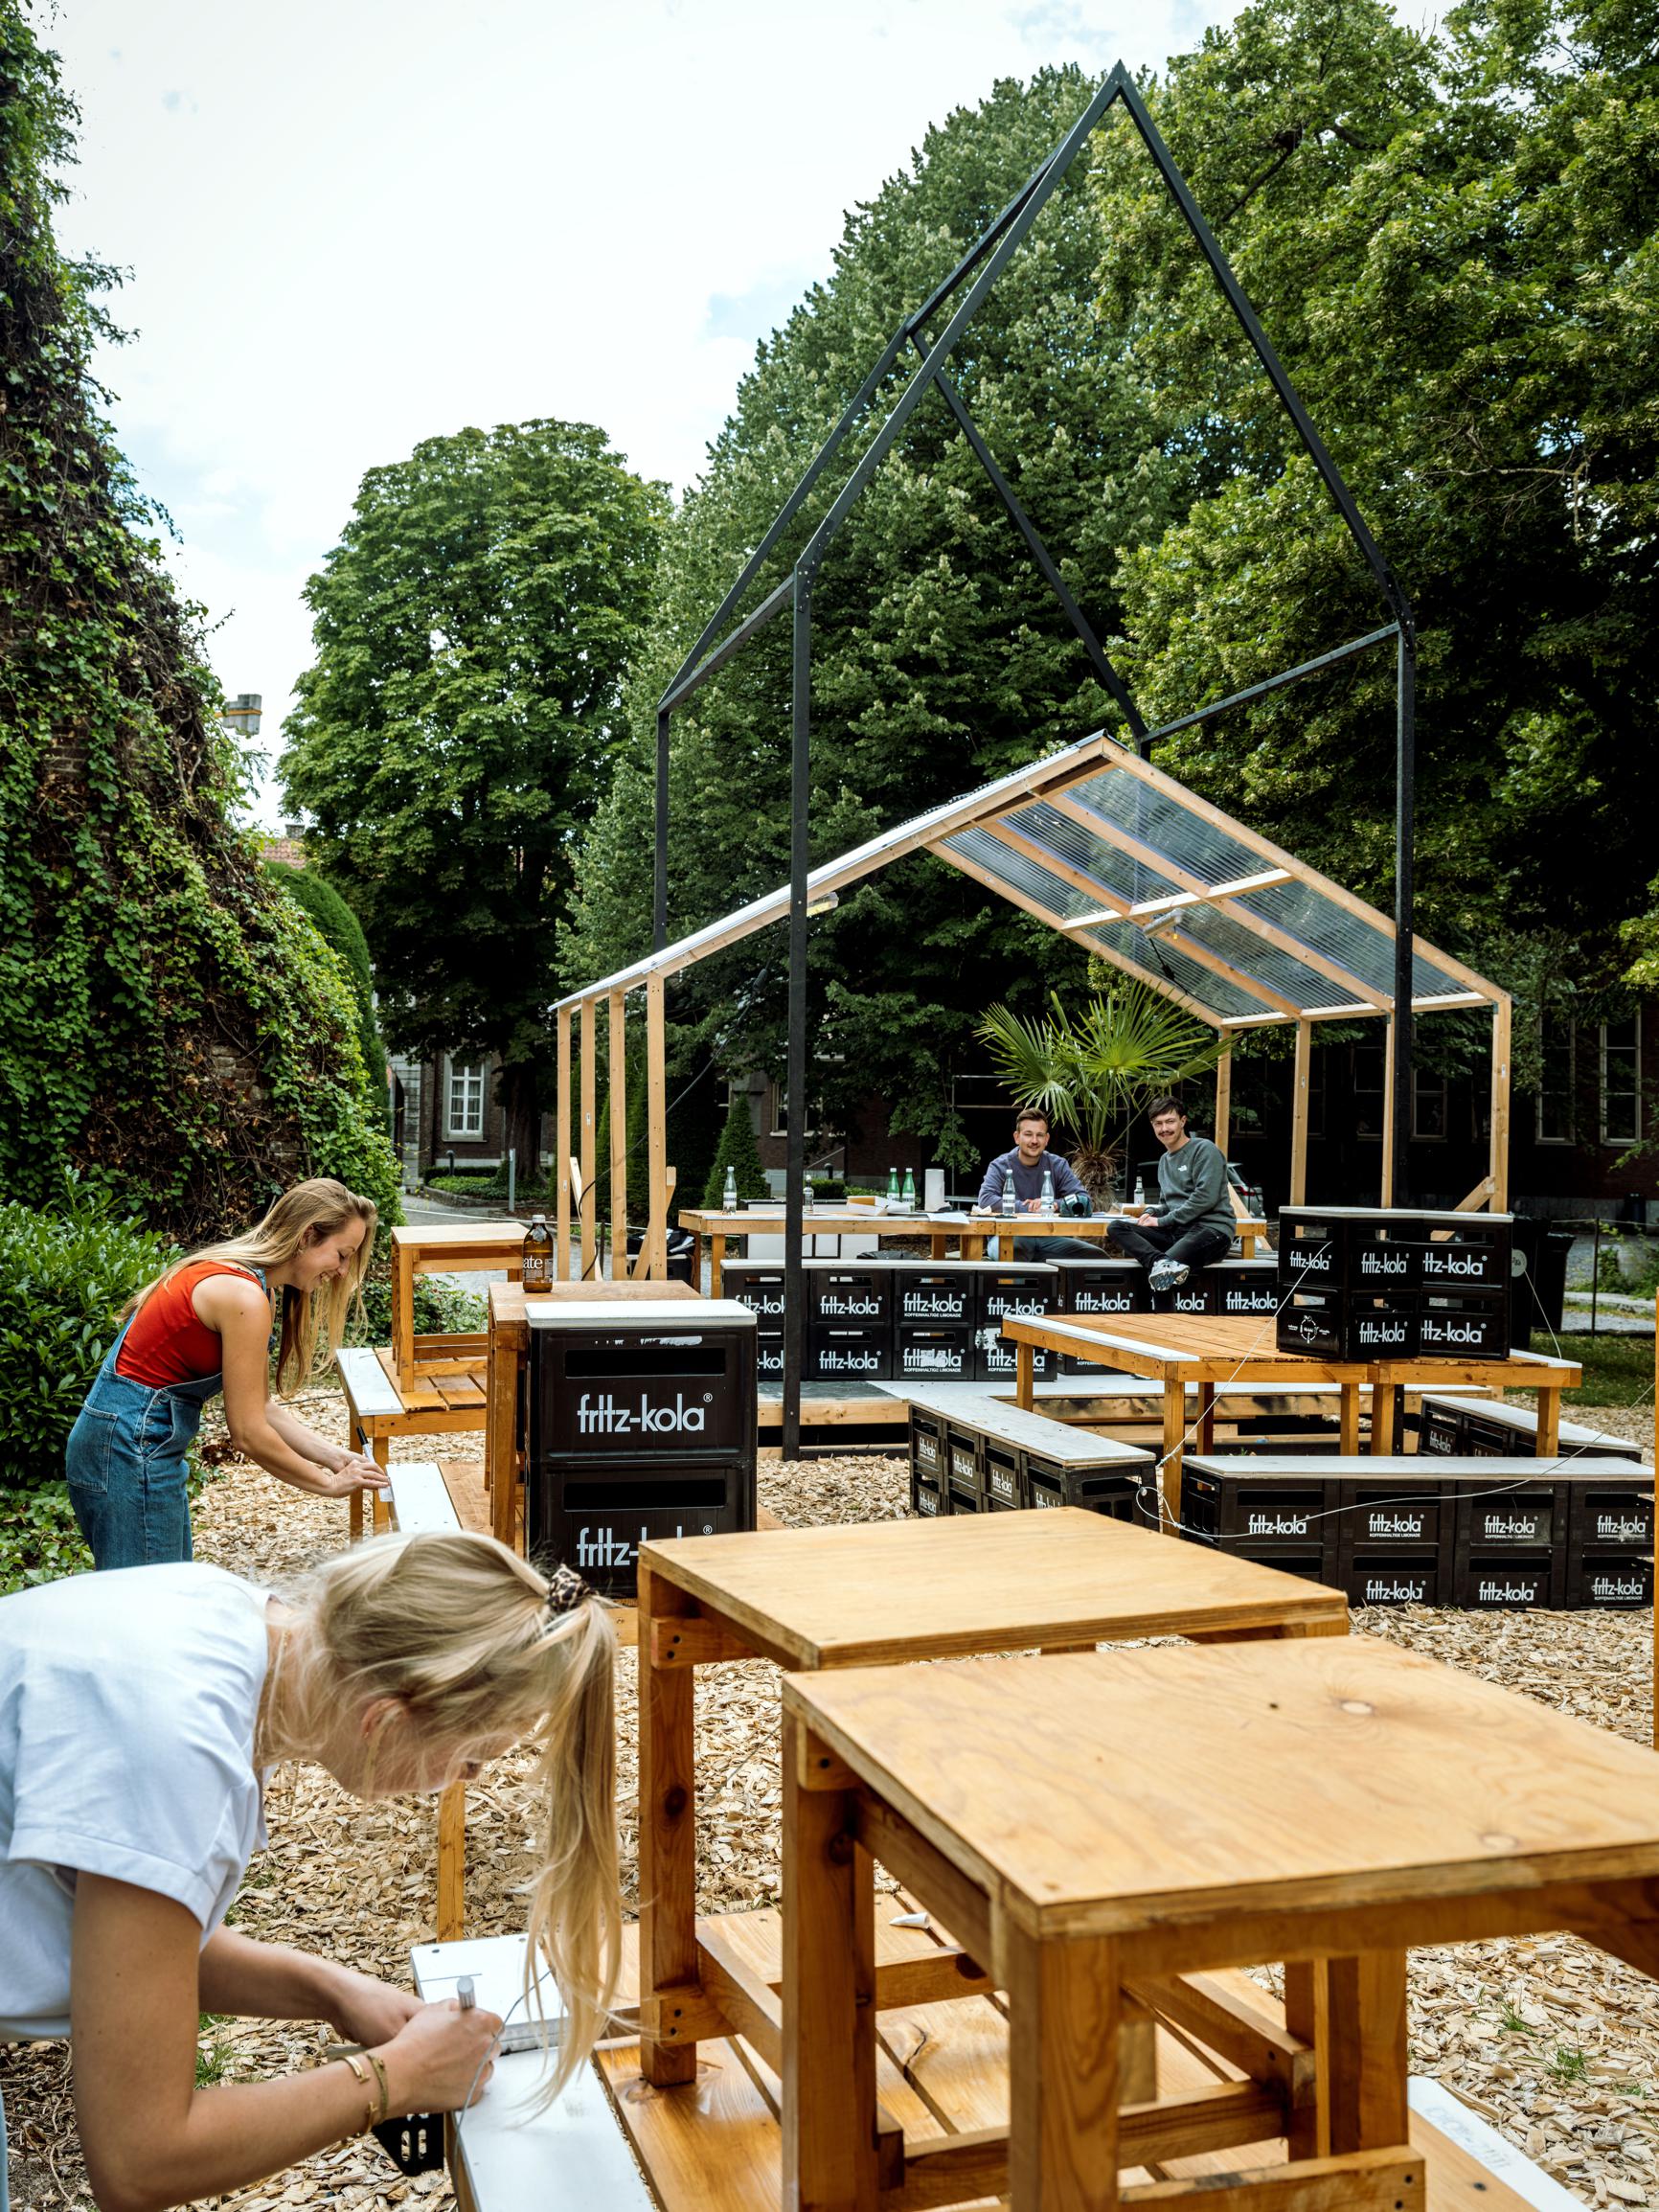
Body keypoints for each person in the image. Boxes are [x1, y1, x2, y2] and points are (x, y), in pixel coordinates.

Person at [0, 1530, 620, 2212]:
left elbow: (138, 1956)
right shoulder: (179, 1754)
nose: (459, 1782)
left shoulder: (228, 1624)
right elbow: (141, 2158)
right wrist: (398, 2076)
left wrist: (333, 1990)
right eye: (472, 1759)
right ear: (384, 1720)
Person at [65, 1178, 391, 1571]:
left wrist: (337, 1458)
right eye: (341, 1254)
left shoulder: (251, 1283)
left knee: (162, 1594)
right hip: (128, 1452)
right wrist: (327, 1484)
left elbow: (261, 1407)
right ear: (307, 1236)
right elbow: (249, 1433)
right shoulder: (243, 1296)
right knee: (151, 1609)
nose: (341, 1271)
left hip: (127, 1446)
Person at [1108, 1095, 1236, 1302]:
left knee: (1163, 1275)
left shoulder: (1204, 1149)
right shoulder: (1164, 1161)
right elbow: (1166, 1203)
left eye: (1170, 1121)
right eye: (1158, 1123)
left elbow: (1205, 1198)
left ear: (1183, 1121)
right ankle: (1160, 1261)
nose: (1164, 1128)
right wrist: (1151, 1212)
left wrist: (1160, 1221)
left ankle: (1163, 1271)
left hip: (1211, 1231)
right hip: (1179, 1232)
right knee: (1116, 1227)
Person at [975, 1106, 1102, 1261]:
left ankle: (1063, 1286)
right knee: (1014, 1252)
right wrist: (1028, 1207)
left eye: (1039, 1135)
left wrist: (1053, 1205)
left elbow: (1084, 1199)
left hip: (1050, 1237)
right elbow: (985, 1200)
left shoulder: (1058, 1165)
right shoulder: (1000, 1165)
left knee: (1096, 1257)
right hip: (1009, 1236)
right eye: (1028, 1134)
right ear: (1017, 1137)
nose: (1034, 1141)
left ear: (1046, 1139)